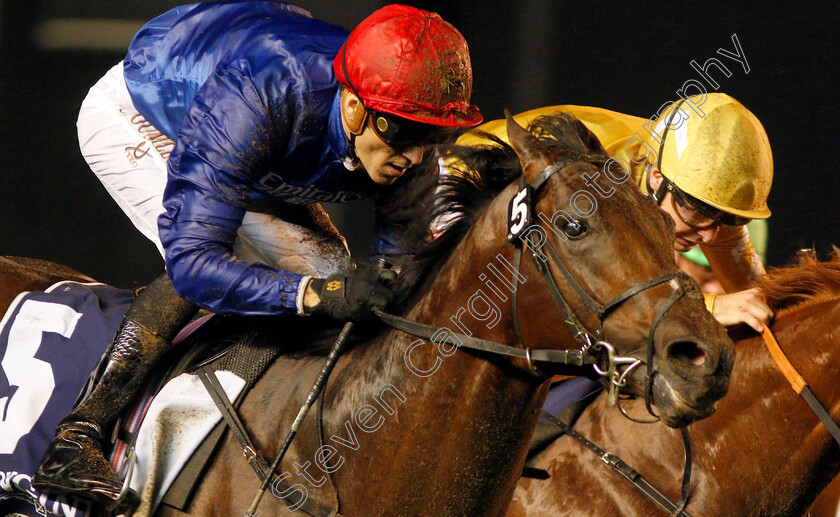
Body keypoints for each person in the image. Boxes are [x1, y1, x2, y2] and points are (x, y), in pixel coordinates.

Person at [32, 2, 482, 508]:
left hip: (259, 112)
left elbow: (401, 276)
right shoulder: (262, 98)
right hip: (149, 110)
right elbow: (194, 264)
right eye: (401, 131)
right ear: (354, 106)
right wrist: (313, 295)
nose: (417, 156)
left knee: (332, 271)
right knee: (277, 270)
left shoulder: (395, 124)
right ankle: (76, 437)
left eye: (434, 134)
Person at [457, 93, 773, 332]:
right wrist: (711, 306)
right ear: (656, 180)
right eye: (699, 213)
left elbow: (760, 300)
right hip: (460, 183)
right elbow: (599, 300)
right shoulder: (602, 185)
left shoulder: (699, 186)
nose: (709, 234)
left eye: (730, 219)